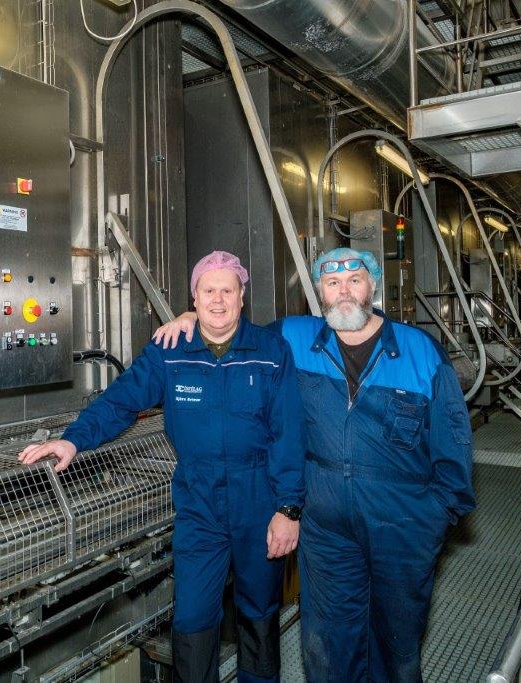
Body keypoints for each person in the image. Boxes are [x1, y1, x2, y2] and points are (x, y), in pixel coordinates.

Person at [152, 246, 475, 682]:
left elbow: (454, 445)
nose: (344, 291)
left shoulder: (421, 351)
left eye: (354, 280)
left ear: (373, 285)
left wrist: (432, 519)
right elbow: (231, 331)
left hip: (402, 524)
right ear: (319, 293)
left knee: (396, 643)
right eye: (332, 282)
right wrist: (193, 319)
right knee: (327, 644)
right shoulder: (293, 338)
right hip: (326, 529)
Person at [19, 251, 306, 683]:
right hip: (199, 503)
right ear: (195, 298)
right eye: (208, 291)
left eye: (228, 290)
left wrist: (288, 509)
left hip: (259, 499)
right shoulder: (170, 350)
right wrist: (73, 439)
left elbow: (289, 433)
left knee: (259, 610)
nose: (218, 300)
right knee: (192, 615)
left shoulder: (270, 351)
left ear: (242, 297)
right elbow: (121, 401)